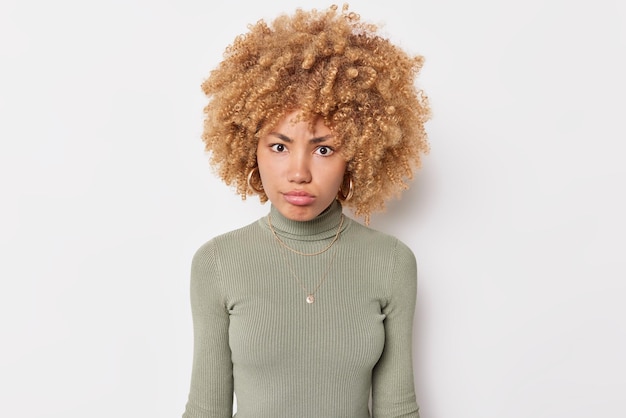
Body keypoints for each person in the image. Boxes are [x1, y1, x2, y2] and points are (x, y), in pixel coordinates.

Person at [182, 4, 430, 417]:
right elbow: (206, 410)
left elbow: (398, 409)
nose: (299, 172)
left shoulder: (391, 263)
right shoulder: (217, 262)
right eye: (279, 146)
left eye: (324, 148)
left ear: (359, 154)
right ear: (250, 149)